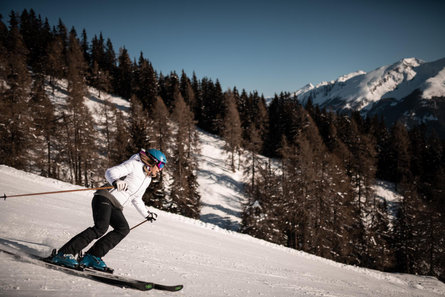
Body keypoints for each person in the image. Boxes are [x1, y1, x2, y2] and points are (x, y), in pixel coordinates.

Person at [50, 148, 167, 270]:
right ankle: (64, 253)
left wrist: (146, 214)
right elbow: (110, 172)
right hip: (104, 197)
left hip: (116, 205)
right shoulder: (134, 165)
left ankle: (92, 256)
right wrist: (115, 181)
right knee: (101, 227)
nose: (160, 169)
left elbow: (136, 198)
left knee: (123, 229)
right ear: (152, 161)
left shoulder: (147, 179)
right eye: (160, 165)